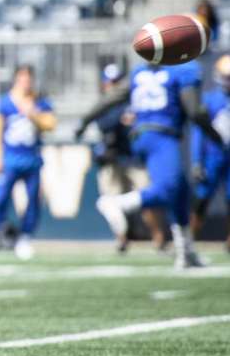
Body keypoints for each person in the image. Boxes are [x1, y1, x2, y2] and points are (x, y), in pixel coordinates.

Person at [82, 57, 221, 269]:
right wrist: (215, 136)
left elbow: (110, 99)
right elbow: (194, 111)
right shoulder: (184, 70)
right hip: (162, 135)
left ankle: (186, 252)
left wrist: (84, 120)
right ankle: (118, 203)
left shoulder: (139, 72)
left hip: (141, 136)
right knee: (167, 188)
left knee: (180, 192)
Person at [75, 64, 165, 252]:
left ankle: (158, 237)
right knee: (110, 201)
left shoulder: (134, 100)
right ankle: (122, 239)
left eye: (116, 82)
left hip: (134, 158)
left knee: (147, 198)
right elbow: (106, 125)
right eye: (110, 82)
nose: (112, 86)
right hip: (112, 159)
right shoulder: (105, 105)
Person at [0, 65, 56, 260]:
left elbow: (51, 124)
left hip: (31, 158)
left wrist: (33, 114)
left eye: (28, 78)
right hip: (9, 158)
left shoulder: (40, 102)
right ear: (16, 80)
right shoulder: (4, 103)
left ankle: (25, 236)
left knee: (33, 200)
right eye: (22, 78)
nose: (25, 82)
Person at [189, 54, 230, 248]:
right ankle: (190, 239)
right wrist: (197, 160)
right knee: (202, 198)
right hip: (214, 154)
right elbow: (199, 133)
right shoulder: (211, 99)